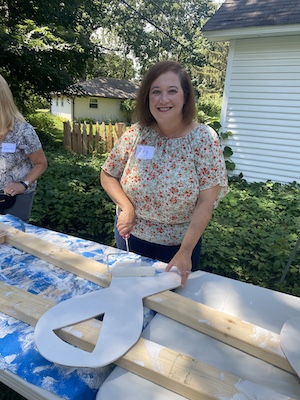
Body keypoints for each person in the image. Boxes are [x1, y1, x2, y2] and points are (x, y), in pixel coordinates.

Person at [100, 60, 228, 287]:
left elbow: (206, 202)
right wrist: (127, 207)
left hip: (180, 246)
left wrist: (186, 250)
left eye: (172, 91)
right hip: (132, 237)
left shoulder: (203, 139)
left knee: (171, 309)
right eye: (156, 92)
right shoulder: (137, 133)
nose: (163, 99)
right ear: (147, 98)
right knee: (130, 297)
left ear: (185, 96)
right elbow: (108, 174)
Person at [0, 74, 48, 222]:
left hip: (15, 199)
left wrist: (23, 184)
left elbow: (41, 163)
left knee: (13, 238)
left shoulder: (22, 130)